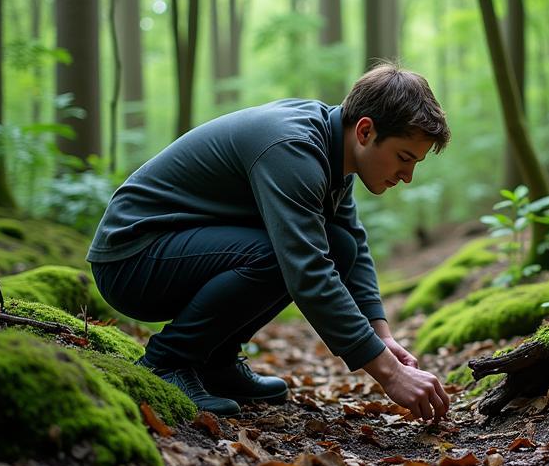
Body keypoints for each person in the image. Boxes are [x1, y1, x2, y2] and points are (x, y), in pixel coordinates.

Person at [87, 64, 451, 422]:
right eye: (404, 158)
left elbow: (351, 243)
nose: (407, 176)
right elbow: (307, 270)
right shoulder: (292, 149)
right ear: (365, 131)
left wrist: (382, 336)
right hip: (132, 258)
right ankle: (167, 362)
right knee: (284, 255)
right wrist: (389, 373)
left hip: (172, 252)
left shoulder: (332, 149)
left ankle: (216, 361)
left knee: (340, 245)